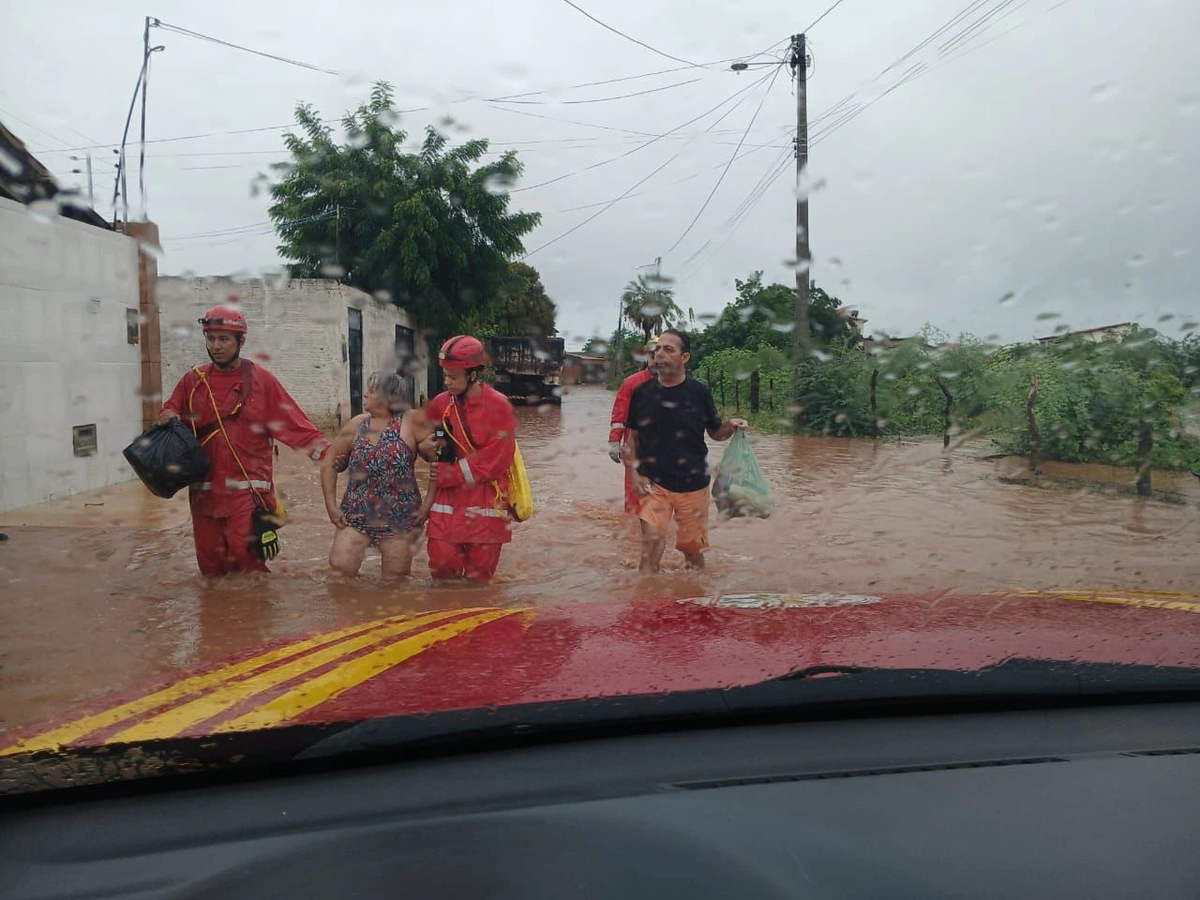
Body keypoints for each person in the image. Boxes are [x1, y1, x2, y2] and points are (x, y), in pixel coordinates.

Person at [156, 302, 331, 577]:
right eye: (211, 339)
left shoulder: (262, 381)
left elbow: (296, 426)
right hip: (204, 491)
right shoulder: (193, 380)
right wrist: (167, 414)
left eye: (224, 339)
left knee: (248, 564)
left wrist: (335, 456)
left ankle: (256, 617)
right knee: (210, 566)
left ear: (241, 341)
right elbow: (171, 408)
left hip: (247, 493)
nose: (216, 346)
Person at [624, 328, 747, 573]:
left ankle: (693, 602)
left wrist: (731, 426)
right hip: (654, 483)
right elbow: (632, 440)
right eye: (658, 349)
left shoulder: (699, 393)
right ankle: (644, 604)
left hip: (693, 485)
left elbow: (715, 433)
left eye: (668, 349)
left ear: (685, 358)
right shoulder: (641, 393)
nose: (660, 354)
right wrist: (635, 474)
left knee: (692, 551)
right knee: (651, 546)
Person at [413, 335, 519, 583]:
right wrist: (424, 447)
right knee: (441, 566)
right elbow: (424, 434)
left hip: (485, 500)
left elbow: (497, 459)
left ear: (472, 375)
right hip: (447, 502)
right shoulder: (441, 403)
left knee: (479, 577)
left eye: (453, 377)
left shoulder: (499, 406)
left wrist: (450, 475)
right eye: (445, 375)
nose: (447, 382)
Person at [321, 371, 436, 578]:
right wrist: (331, 507)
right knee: (339, 572)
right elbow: (329, 463)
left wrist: (427, 507)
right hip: (356, 514)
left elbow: (439, 463)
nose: (365, 394)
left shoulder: (411, 421)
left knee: (395, 581)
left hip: (400, 518)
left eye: (371, 391)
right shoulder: (358, 423)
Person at [607, 336, 658, 514]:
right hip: (635, 447)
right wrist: (614, 442)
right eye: (653, 355)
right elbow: (620, 414)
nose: (656, 360)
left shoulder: (677, 385)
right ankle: (632, 533)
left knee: (662, 500)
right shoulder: (632, 383)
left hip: (665, 450)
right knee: (634, 500)